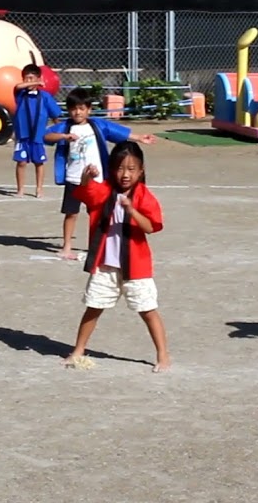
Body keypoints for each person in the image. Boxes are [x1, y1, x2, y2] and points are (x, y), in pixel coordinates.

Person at [64, 141, 170, 373]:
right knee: (93, 306)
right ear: (112, 168)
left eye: (132, 169)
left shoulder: (144, 196)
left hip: (136, 267)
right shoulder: (104, 190)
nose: (125, 174)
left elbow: (151, 227)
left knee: (147, 309)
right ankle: (78, 350)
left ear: (141, 171)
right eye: (120, 168)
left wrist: (132, 210)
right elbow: (86, 195)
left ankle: (163, 355)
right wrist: (86, 179)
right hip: (105, 265)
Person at [44, 87, 155, 261]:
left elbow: (117, 131)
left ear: (89, 109)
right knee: (71, 213)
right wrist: (64, 137)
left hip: (97, 180)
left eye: (81, 108)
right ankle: (66, 247)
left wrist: (139, 137)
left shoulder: (97, 125)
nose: (77, 112)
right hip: (74, 179)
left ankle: (97, 246)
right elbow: (46, 136)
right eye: (73, 108)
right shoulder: (65, 126)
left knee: (97, 214)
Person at [12, 63, 63, 198]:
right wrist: (33, 82)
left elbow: (55, 115)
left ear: (39, 78)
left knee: (39, 162)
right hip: (23, 135)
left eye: (32, 78)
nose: (29, 82)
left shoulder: (45, 97)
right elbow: (17, 87)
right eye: (26, 79)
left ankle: (39, 188)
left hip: (38, 136)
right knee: (21, 162)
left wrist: (59, 131)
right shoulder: (21, 94)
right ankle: (20, 189)